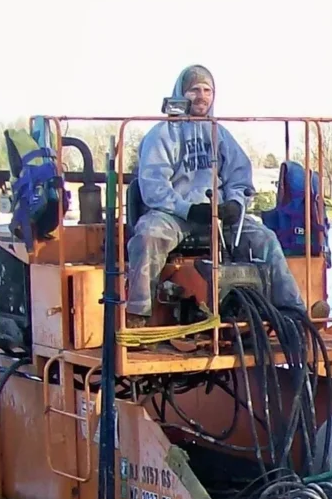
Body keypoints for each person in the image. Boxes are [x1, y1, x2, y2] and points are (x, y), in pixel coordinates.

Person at [126, 65, 301, 319]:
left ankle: (293, 312)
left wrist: (235, 204)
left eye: (208, 90)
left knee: (265, 238)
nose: (202, 96)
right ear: (181, 93)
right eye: (194, 90)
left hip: (219, 217)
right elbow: (153, 187)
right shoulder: (162, 134)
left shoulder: (220, 133)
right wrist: (189, 209)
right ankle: (138, 314)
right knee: (148, 235)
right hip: (175, 215)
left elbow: (239, 178)